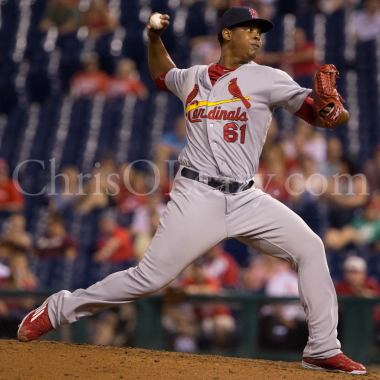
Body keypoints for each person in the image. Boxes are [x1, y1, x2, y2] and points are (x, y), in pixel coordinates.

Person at [18, 7, 365, 375]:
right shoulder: (194, 78)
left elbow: (323, 116)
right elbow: (160, 74)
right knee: (149, 278)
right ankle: (57, 309)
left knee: (311, 247)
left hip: (247, 196)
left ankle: (322, 349)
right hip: (197, 195)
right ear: (226, 33)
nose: (257, 36)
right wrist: (153, 38)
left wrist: (332, 108)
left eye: (260, 32)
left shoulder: (268, 77)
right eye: (249, 29)